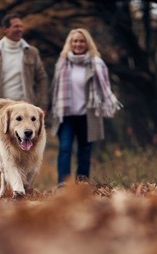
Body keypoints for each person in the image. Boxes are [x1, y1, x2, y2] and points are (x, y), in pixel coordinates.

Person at [49, 28, 121, 186]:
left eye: (81, 41)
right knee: (65, 148)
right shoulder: (62, 63)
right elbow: (54, 88)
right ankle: (63, 184)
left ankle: (82, 184)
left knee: (84, 152)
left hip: (88, 115)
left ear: (87, 43)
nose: (78, 44)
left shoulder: (96, 63)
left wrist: (107, 104)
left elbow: (105, 87)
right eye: (75, 41)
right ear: (70, 43)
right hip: (65, 114)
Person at [0, 14, 48, 109]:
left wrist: (43, 103)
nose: (20, 29)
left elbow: (42, 78)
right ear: (5, 29)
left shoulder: (31, 52)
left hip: (24, 106)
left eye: (21, 26)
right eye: (16, 26)